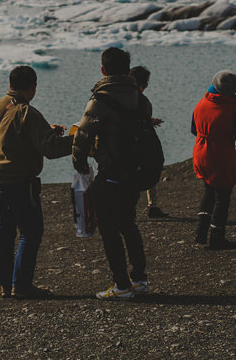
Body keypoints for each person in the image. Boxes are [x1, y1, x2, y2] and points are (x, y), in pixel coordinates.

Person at [0, 65, 72, 299]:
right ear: (33, 88)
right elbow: (51, 150)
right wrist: (77, 140)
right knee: (31, 232)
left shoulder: (0, 104)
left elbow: (6, 136)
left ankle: (5, 284)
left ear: (10, 84)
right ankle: (21, 285)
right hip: (17, 180)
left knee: (3, 232)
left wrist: (45, 131)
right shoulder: (28, 113)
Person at [72, 47, 150, 300]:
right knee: (128, 223)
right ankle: (139, 279)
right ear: (127, 70)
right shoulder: (141, 99)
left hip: (110, 173)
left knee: (109, 229)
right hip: (136, 173)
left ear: (103, 70)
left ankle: (121, 286)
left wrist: (80, 163)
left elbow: (82, 137)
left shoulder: (99, 101)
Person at [190, 70, 236, 250]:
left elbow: (193, 129)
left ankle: (200, 231)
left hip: (200, 151)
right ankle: (216, 237)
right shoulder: (233, 106)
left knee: (209, 190)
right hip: (221, 154)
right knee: (223, 197)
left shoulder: (201, 102)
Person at [130, 65, 167, 219]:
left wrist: (148, 121)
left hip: (129, 143)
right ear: (143, 85)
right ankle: (152, 206)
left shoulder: (122, 97)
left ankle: (139, 208)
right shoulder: (142, 101)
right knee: (149, 171)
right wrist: (148, 122)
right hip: (141, 143)